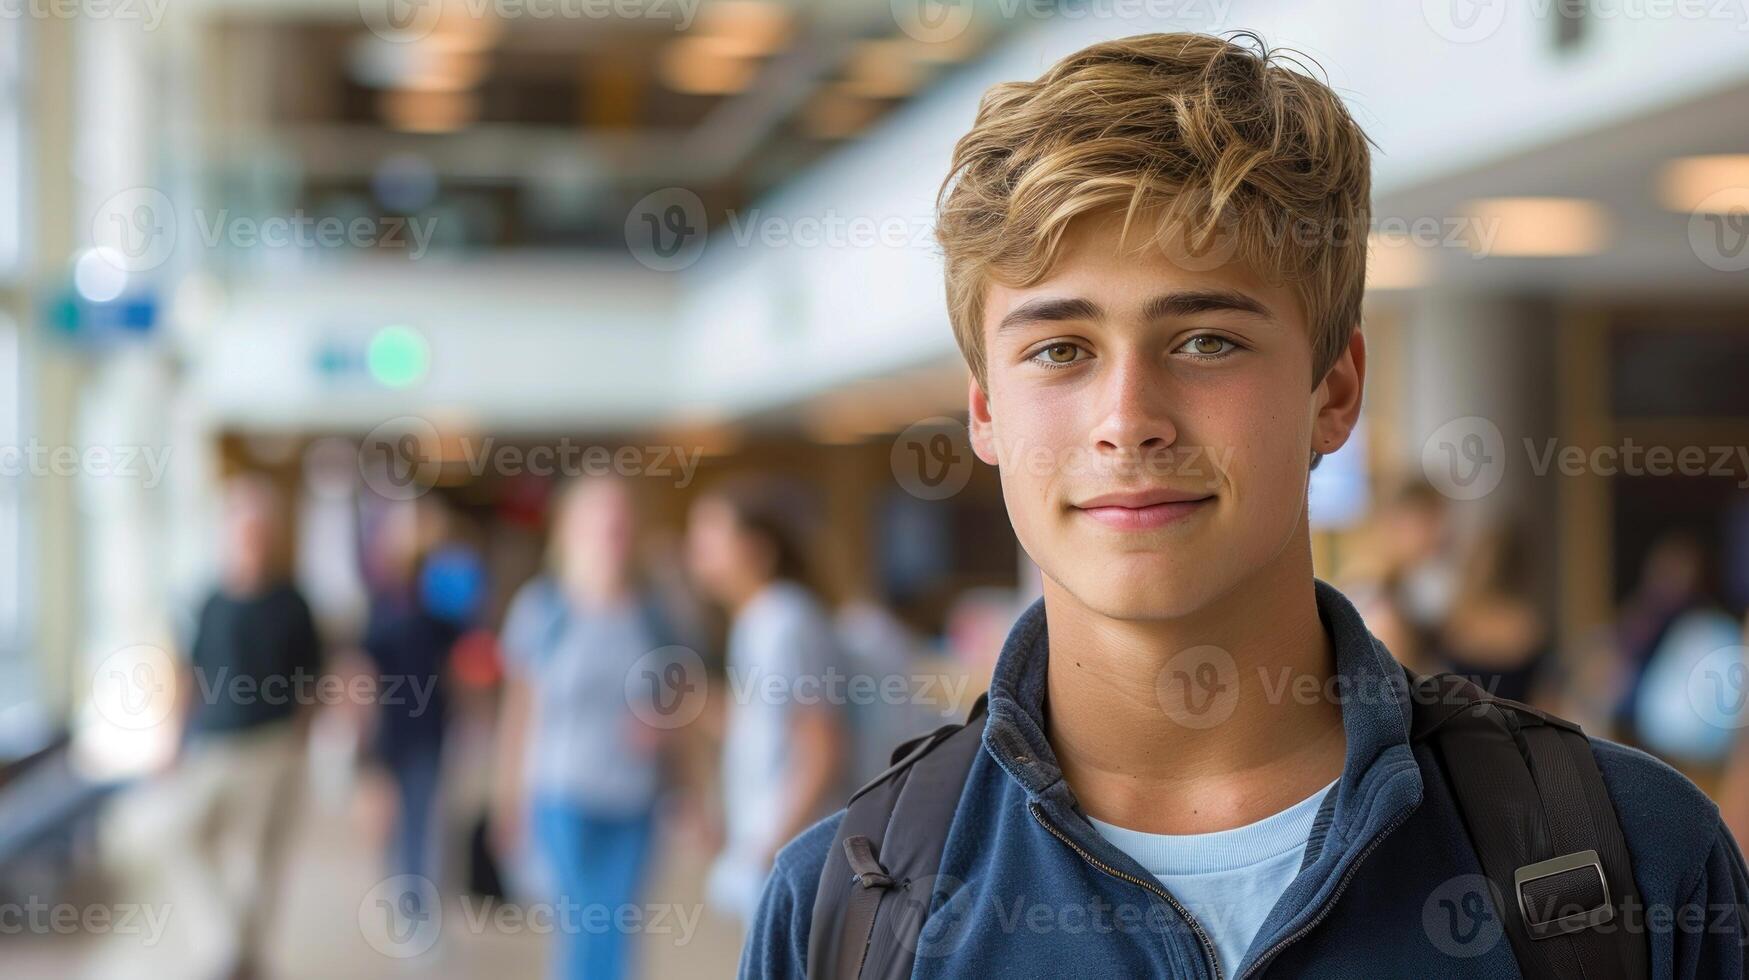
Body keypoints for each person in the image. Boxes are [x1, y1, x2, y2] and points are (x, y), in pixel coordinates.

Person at [740, 32, 1749, 978]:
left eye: (1205, 340)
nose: (1128, 419)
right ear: (986, 410)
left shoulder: (1631, 861)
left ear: (1336, 390)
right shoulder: (847, 906)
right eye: (1060, 349)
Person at [493, 474, 679, 980]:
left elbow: (677, 697)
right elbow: (519, 712)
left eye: (620, 514)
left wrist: (663, 727)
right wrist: (507, 800)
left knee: (618, 930)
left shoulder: (653, 612)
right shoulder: (542, 610)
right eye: (599, 514)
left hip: (636, 800)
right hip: (561, 794)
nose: (612, 525)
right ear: (571, 526)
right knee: (581, 927)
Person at [168, 472, 324, 980]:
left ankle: (242, 962)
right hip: (211, 745)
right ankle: (229, 948)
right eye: (239, 526)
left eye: (257, 527)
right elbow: (189, 673)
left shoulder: (292, 603)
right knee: (182, 836)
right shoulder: (209, 600)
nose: (248, 537)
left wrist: (299, 740)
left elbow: (314, 678)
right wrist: (172, 739)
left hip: (270, 745)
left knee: (257, 866)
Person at [684, 474, 848, 930]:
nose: (697, 549)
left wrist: (771, 850)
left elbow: (820, 749)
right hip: (774, 850)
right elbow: (764, 727)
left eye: (712, 535)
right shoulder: (756, 622)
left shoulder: (785, 622)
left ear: (756, 548)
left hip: (794, 851)